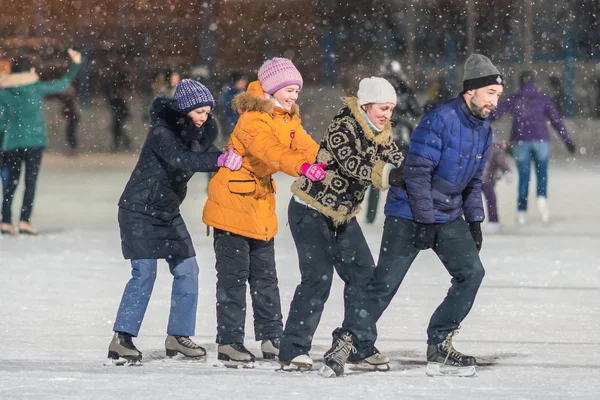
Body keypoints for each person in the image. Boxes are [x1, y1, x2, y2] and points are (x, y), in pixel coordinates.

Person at [319, 54, 501, 378]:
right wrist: (425, 222)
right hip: (408, 212)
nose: (494, 101)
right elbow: (416, 173)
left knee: (471, 273)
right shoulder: (440, 119)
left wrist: (474, 221)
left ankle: (440, 343)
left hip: (447, 212)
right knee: (384, 284)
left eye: (497, 95)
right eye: (490, 93)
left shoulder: (484, 130)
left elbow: (474, 180)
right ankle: (345, 341)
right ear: (471, 91)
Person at [107, 79, 243, 365]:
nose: (203, 118)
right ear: (183, 110)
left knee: (188, 270)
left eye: (207, 112)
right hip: (138, 211)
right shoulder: (162, 131)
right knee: (144, 273)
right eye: (198, 112)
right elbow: (181, 159)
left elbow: (207, 155)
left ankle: (178, 336)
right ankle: (122, 339)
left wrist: (230, 157)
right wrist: (219, 161)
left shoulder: (198, 135)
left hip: (167, 213)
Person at [278, 77, 404, 371]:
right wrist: (391, 175)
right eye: (382, 108)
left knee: (364, 275)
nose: (387, 115)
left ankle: (359, 343)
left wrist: (417, 169)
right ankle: (293, 348)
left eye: (390, 109)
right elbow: (354, 164)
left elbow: (397, 157)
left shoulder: (382, 132)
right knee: (318, 277)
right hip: (309, 210)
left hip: (342, 216)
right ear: (365, 106)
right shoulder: (342, 127)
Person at [202, 57, 321, 367]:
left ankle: (272, 337)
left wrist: (326, 161)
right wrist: (303, 168)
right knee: (234, 277)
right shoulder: (253, 118)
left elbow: (306, 145)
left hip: (259, 203)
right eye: (288, 90)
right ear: (271, 88)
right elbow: (270, 150)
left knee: (266, 278)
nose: (294, 96)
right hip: (232, 203)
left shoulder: (288, 118)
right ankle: (229, 341)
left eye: (297, 90)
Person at [0, 49, 81, 236]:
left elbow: (2, 121)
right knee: (30, 182)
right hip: (34, 142)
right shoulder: (36, 88)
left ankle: (5, 221)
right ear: (30, 71)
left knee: (10, 183)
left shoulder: (4, 94)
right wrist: (75, 64)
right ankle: (24, 221)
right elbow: (63, 83)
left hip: (11, 143)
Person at [489, 70, 576, 225]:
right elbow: (556, 120)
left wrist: (477, 116)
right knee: (541, 173)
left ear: (520, 82)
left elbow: (495, 113)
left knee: (524, 177)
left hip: (521, 141)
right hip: (541, 140)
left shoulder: (515, 99)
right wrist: (567, 140)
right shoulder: (543, 99)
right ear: (534, 82)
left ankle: (521, 211)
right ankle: (542, 200)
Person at [366, 60, 422, 224]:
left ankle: (371, 216)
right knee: (404, 175)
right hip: (401, 136)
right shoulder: (403, 90)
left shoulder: (378, 92)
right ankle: (404, 212)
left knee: (377, 176)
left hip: (382, 137)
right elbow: (416, 110)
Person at [481, 139, 511, 233]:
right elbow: (500, 160)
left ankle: (493, 222)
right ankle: (493, 221)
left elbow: (500, 159)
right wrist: (506, 171)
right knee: (490, 199)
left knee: (466, 200)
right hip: (484, 178)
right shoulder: (493, 145)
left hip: (476, 178)